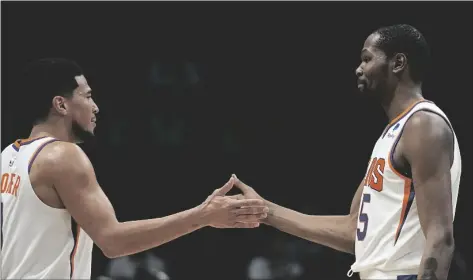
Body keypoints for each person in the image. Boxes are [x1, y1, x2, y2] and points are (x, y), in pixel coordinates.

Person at [0, 58, 269, 279]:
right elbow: (113, 241)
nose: (96, 107)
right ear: (61, 104)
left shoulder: (8, 156)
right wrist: (203, 216)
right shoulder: (63, 155)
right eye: (88, 96)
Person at [233, 24, 461, 280]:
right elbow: (355, 232)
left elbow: (440, 237)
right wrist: (264, 211)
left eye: (367, 58)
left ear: (398, 63)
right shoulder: (392, 134)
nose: (359, 68)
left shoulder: (424, 124)